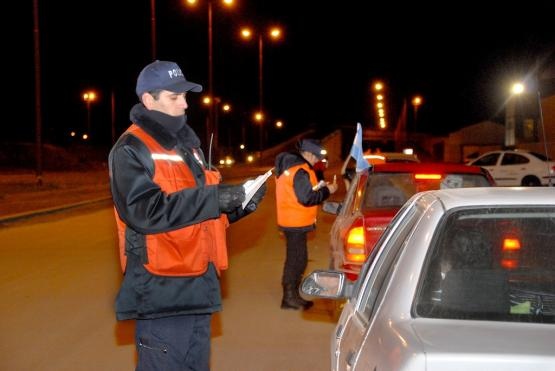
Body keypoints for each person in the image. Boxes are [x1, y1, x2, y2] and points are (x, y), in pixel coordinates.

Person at [108, 60, 266, 371]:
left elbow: (198, 215)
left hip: (198, 287)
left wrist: (236, 206)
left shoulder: (187, 148)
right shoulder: (130, 148)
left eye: (185, 96)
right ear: (148, 100)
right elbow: (145, 211)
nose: (184, 103)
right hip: (162, 290)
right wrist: (212, 198)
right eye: (174, 96)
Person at [274, 138, 338, 310]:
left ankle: (292, 295)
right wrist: (327, 191)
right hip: (295, 221)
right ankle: (289, 298)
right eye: (316, 157)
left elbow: (301, 192)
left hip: (291, 220)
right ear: (308, 153)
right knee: (297, 260)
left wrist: (318, 187)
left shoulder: (293, 168)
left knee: (297, 258)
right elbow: (306, 198)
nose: (317, 160)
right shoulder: (300, 170)